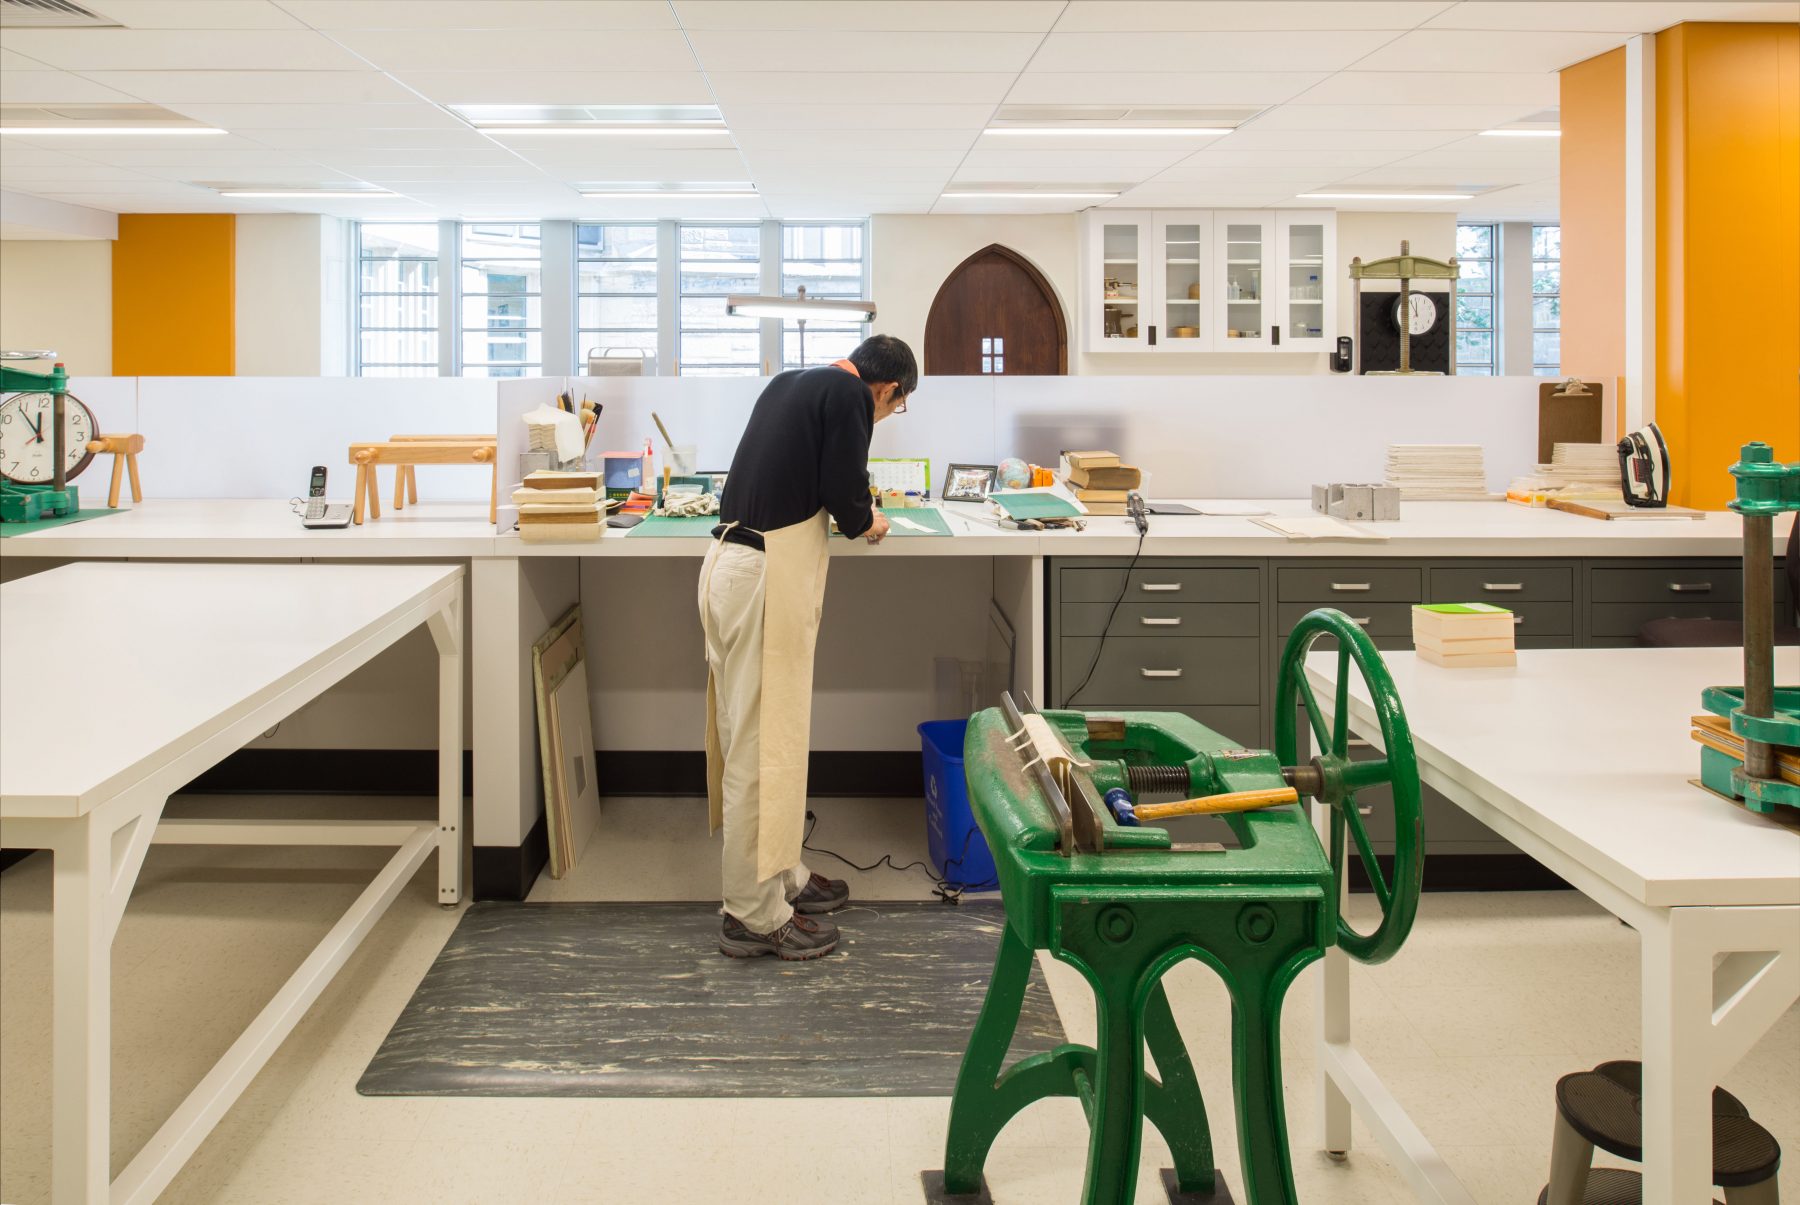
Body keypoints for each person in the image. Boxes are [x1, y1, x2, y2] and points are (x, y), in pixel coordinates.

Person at [698, 334, 917, 960]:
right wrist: (868, 520)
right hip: (763, 575)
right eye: (896, 407)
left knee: (769, 736)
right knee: (764, 749)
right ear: (888, 390)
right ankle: (751, 914)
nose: (886, 414)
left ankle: (783, 875)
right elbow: (846, 492)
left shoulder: (793, 381)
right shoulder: (849, 395)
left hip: (730, 566)